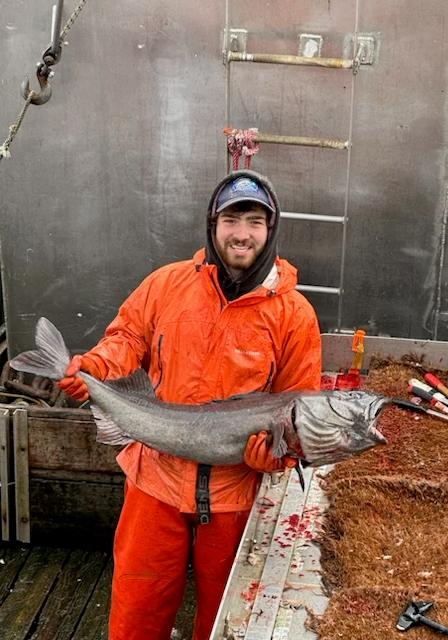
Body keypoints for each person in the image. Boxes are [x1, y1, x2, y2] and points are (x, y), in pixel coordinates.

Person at [58, 170, 322, 640]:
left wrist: (280, 453)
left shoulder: (294, 315)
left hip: (234, 495)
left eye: (255, 221)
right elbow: (127, 338)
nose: (242, 233)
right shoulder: (166, 284)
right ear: (211, 225)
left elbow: (301, 407)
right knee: (135, 615)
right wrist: (95, 367)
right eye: (231, 219)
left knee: (225, 624)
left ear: (271, 229)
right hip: (154, 481)